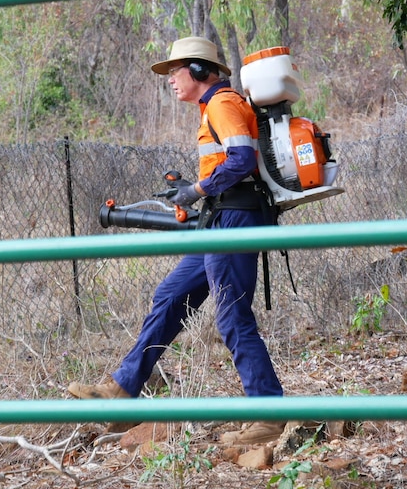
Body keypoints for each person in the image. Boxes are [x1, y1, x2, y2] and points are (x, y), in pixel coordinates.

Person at [68, 36, 285, 445]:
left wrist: (198, 191)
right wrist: (196, 189)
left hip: (235, 219)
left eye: (174, 71)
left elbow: (241, 161)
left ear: (199, 71)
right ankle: (123, 391)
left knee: (233, 317)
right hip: (222, 216)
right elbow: (229, 166)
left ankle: (270, 416)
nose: (169, 79)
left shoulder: (221, 104)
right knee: (171, 295)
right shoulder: (214, 108)